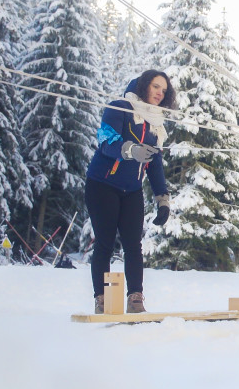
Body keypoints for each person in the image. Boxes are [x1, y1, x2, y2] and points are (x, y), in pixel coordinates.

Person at [85, 69, 175, 314]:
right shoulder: (119, 108)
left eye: (164, 90)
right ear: (145, 85)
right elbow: (105, 141)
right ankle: (102, 299)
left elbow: (155, 163)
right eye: (156, 86)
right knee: (104, 243)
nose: (159, 93)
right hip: (102, 185)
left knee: (133, 245)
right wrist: (131, 151)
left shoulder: (155, 122)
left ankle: (135, 297)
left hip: (132, 190)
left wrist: (162, 199)